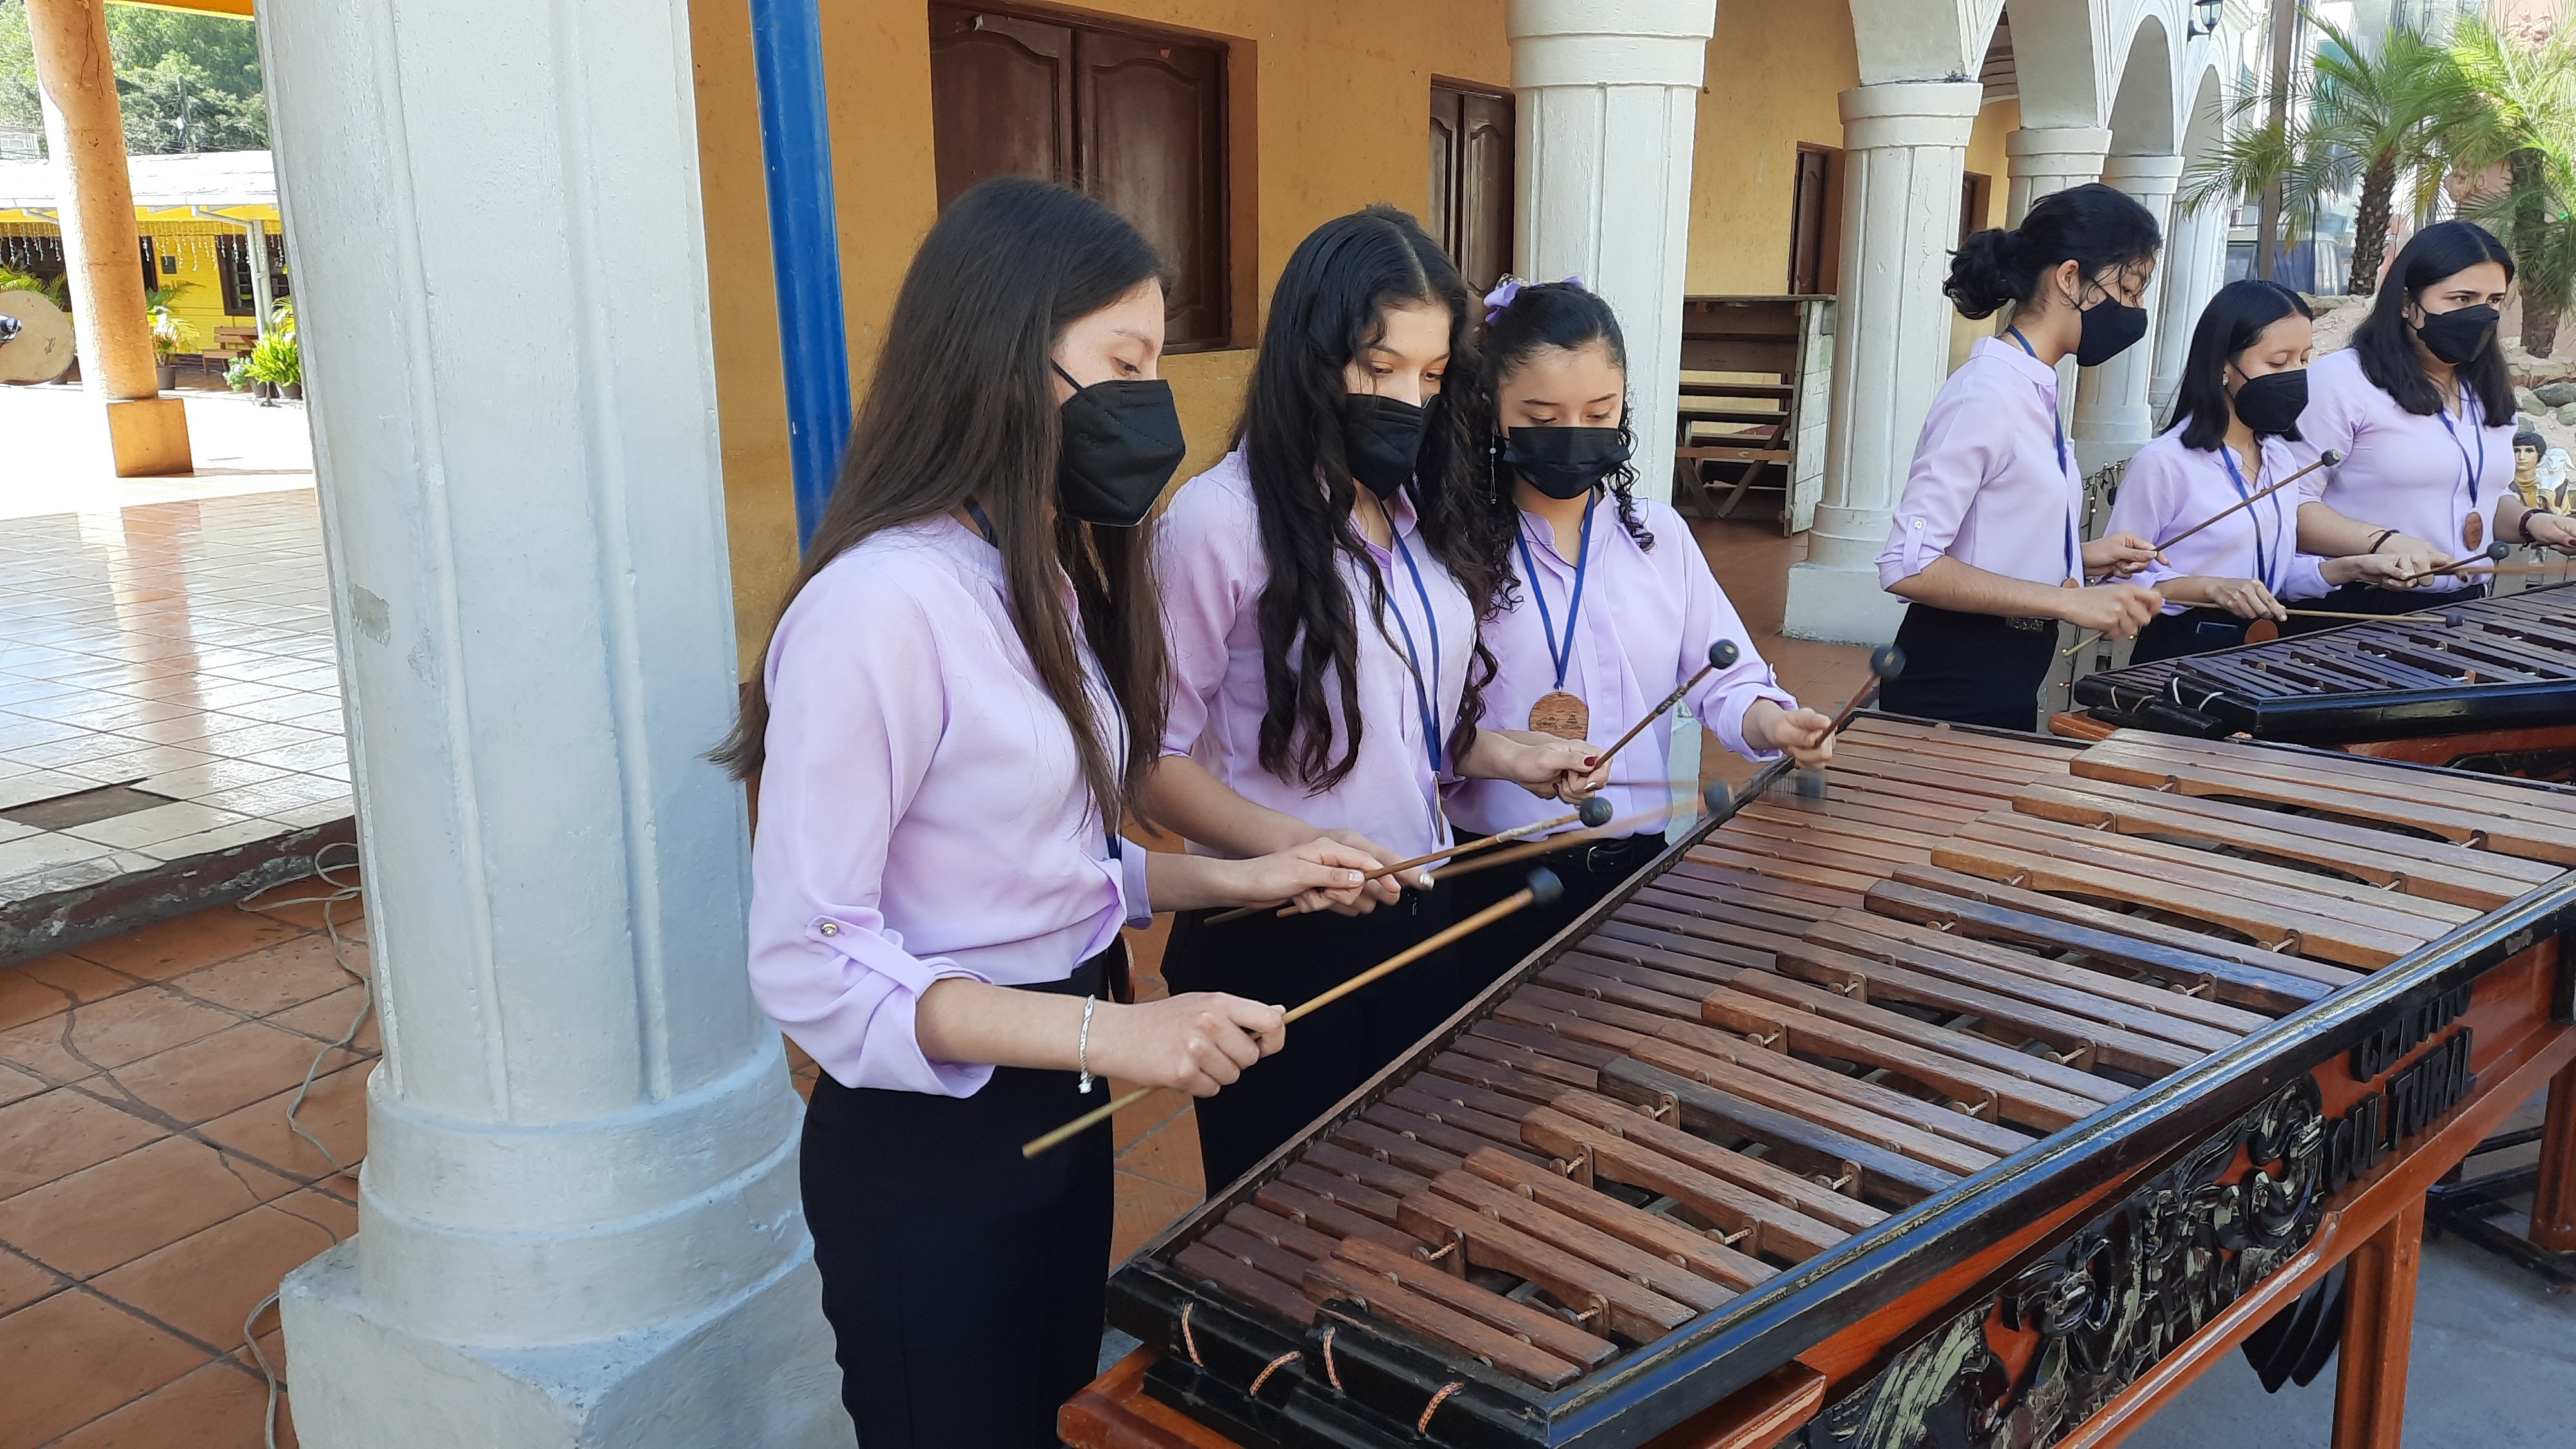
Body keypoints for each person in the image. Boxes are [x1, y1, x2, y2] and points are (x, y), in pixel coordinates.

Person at [722, 177, 1391, 1448]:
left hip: (1062, 1095)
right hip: (936, 1144)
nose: (1153, 404)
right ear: (1000, 357)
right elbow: (809, 957)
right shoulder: (883, 606)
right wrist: (1113, 1030)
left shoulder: (1032, 579)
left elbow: (1043, 867)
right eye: (1123, 363)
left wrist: (1242, 878)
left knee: (1049, 1421)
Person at [1144, 208, 1605, 1190]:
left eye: (1433, 377)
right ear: (1314, 356)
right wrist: (1288, 851)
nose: (1408, 397)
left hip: (1417, 906)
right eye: (1379, 367)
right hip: (1273, 933)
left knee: (1399, 1201)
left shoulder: (1411, 506)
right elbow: (1153, 765)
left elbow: (1406, 723)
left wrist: (1503, 753)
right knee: (1280, 1228)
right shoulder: (1216, 523)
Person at [1444, 277, 1833, 995]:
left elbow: (1725, 674)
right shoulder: (1451, 548)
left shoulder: (1659, 539)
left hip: (1641, 867)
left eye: (1599, 412)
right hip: (1496, 875)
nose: (1574, 433)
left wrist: (1773, 721)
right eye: (1542, 414)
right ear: (1492, 412)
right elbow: (1424, 723)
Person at [1875, 183, 2168, 729]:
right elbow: (1908, 565)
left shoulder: (2033, 385)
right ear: (2069, 277)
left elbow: (1991, 535)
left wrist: (2079, 557)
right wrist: (2065, 602)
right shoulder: (1985, 394)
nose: (2137, 310)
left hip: (2009, 668)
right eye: (2131, 287)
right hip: (1953, 678)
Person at [2108, 279, 2412, 662]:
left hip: (2262, 652)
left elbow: (2275, 578)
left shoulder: (2281, 460)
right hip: (2182, 652)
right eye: (2278, 362)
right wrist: (2209, 588)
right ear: (2223, 365)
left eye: (2304, 359)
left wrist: (2351, 567)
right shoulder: (2163, 463)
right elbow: (2118, 578)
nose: (2296, 374)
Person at [2291, 220, 2576, 616]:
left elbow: (2478, 498)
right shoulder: (2339, 381)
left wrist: (2532, 522)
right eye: (2462, 298)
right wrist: (2382, 543)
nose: (2480, 314)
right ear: (2408, 302)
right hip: (2355, 609)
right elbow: (2290, 506)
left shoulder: (2486, 387)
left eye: (2493, 300)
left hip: (2465, 608)